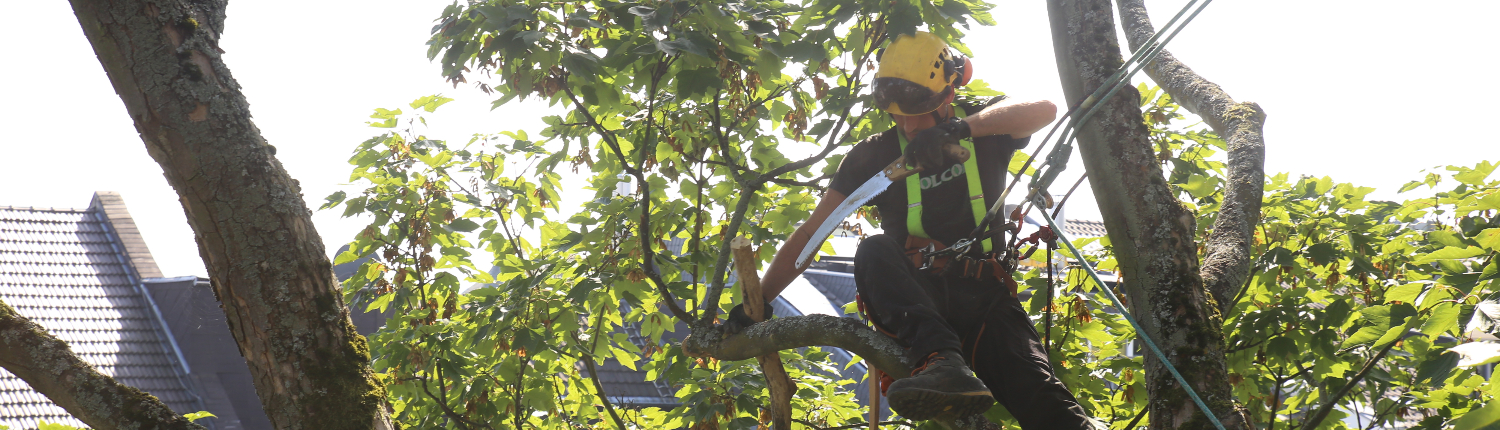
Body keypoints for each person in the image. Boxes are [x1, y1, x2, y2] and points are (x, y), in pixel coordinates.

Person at [734, 31, 1095, 428]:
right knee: (873, 249)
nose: (906, 124)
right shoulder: (872, 156)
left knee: (1043, 398)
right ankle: (940, 361)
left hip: (986, 297)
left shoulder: (986, 127)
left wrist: (961, 131)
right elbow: (810, 234)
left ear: (947, 97)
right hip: (915, 298)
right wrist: (760, 303)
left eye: (916, 111)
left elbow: (1043, 109)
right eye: (896, 113)